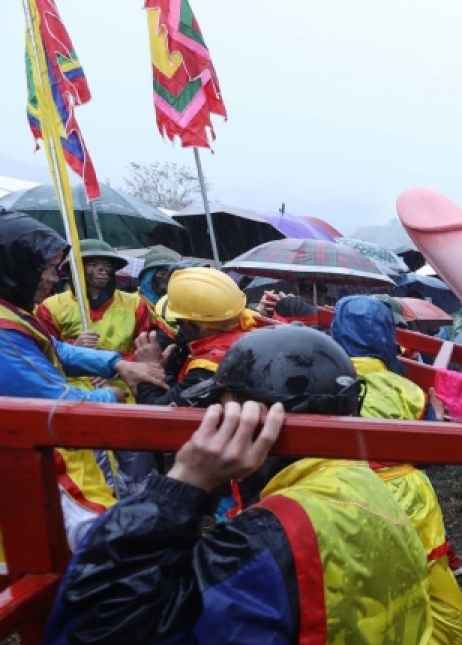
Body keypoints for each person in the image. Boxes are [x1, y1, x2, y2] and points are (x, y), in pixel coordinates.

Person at [34, 325, 462, 645]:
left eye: (218, 412)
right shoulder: (363, 488)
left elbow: (87, 638)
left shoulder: (272, 538)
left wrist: (183, 485)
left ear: (252, 421)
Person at [331, 295, 462, 645]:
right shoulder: (406, 389)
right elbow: (431, 452)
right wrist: (434, 410)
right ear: (386, 335)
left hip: (347, 496)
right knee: (438, 592)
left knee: (360, 593)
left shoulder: (323, 383)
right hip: (407, 499)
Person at [0, 210, 167, 550]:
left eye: (108, 264)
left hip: (96, 426)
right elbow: (49, 397)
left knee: (134, 477)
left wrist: (119, 364)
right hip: (59, 465)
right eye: (44, 268)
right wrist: (111, 397)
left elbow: (53, 349)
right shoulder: (42, 311)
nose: (50, 277)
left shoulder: (134, 304)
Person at [35, 238, 168, 400]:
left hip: (124, 387)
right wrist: (75, 347)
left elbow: (146, 350)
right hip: (71, 391)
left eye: (108, 265)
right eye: (93, 264)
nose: (103, 270)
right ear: (76, 269)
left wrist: (115, 369)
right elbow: (42, 354)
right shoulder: (50, 307)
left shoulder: (136, 304)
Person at [133, 268, 267, 407]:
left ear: (202, 327)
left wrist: (149, 369)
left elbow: (157, 415)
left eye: (179, 322)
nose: (179, 329)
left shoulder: (207, 370)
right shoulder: (256, 324)